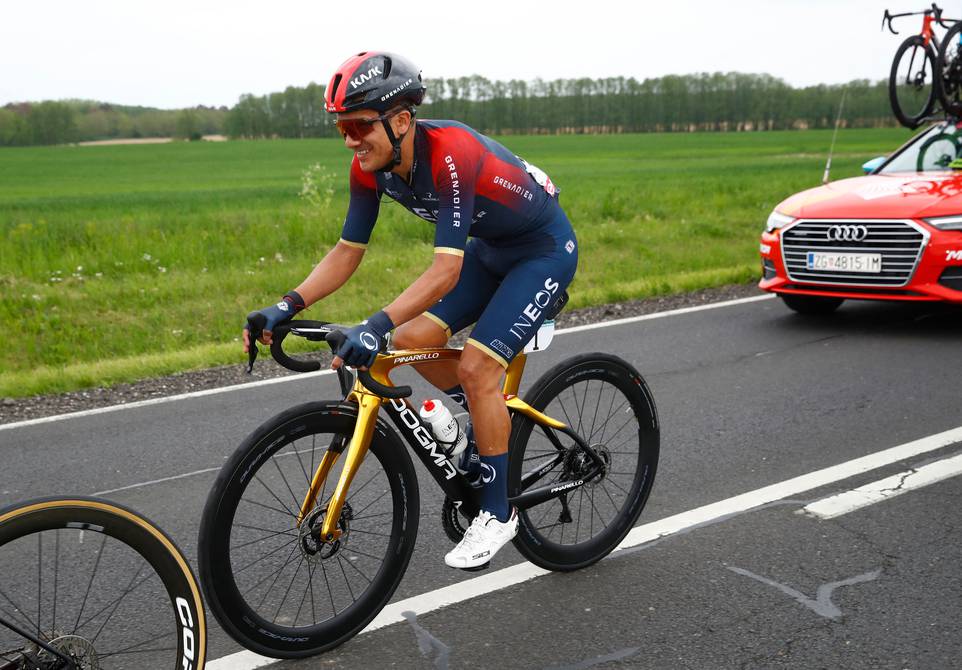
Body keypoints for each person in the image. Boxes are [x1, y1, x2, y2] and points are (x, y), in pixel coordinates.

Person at [244, 51, 578, 570]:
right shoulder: (370, 168)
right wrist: (286, 304)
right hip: (491, 251)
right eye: (342, 129)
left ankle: (498, 513)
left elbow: (445, 271)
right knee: (411, 340)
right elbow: (347, 251)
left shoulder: (450, 154)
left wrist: (375, 325)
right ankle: (484, 420)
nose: (351, 140)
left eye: (359, 125)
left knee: (477, 368)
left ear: (401, 121)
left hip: (543, 253)